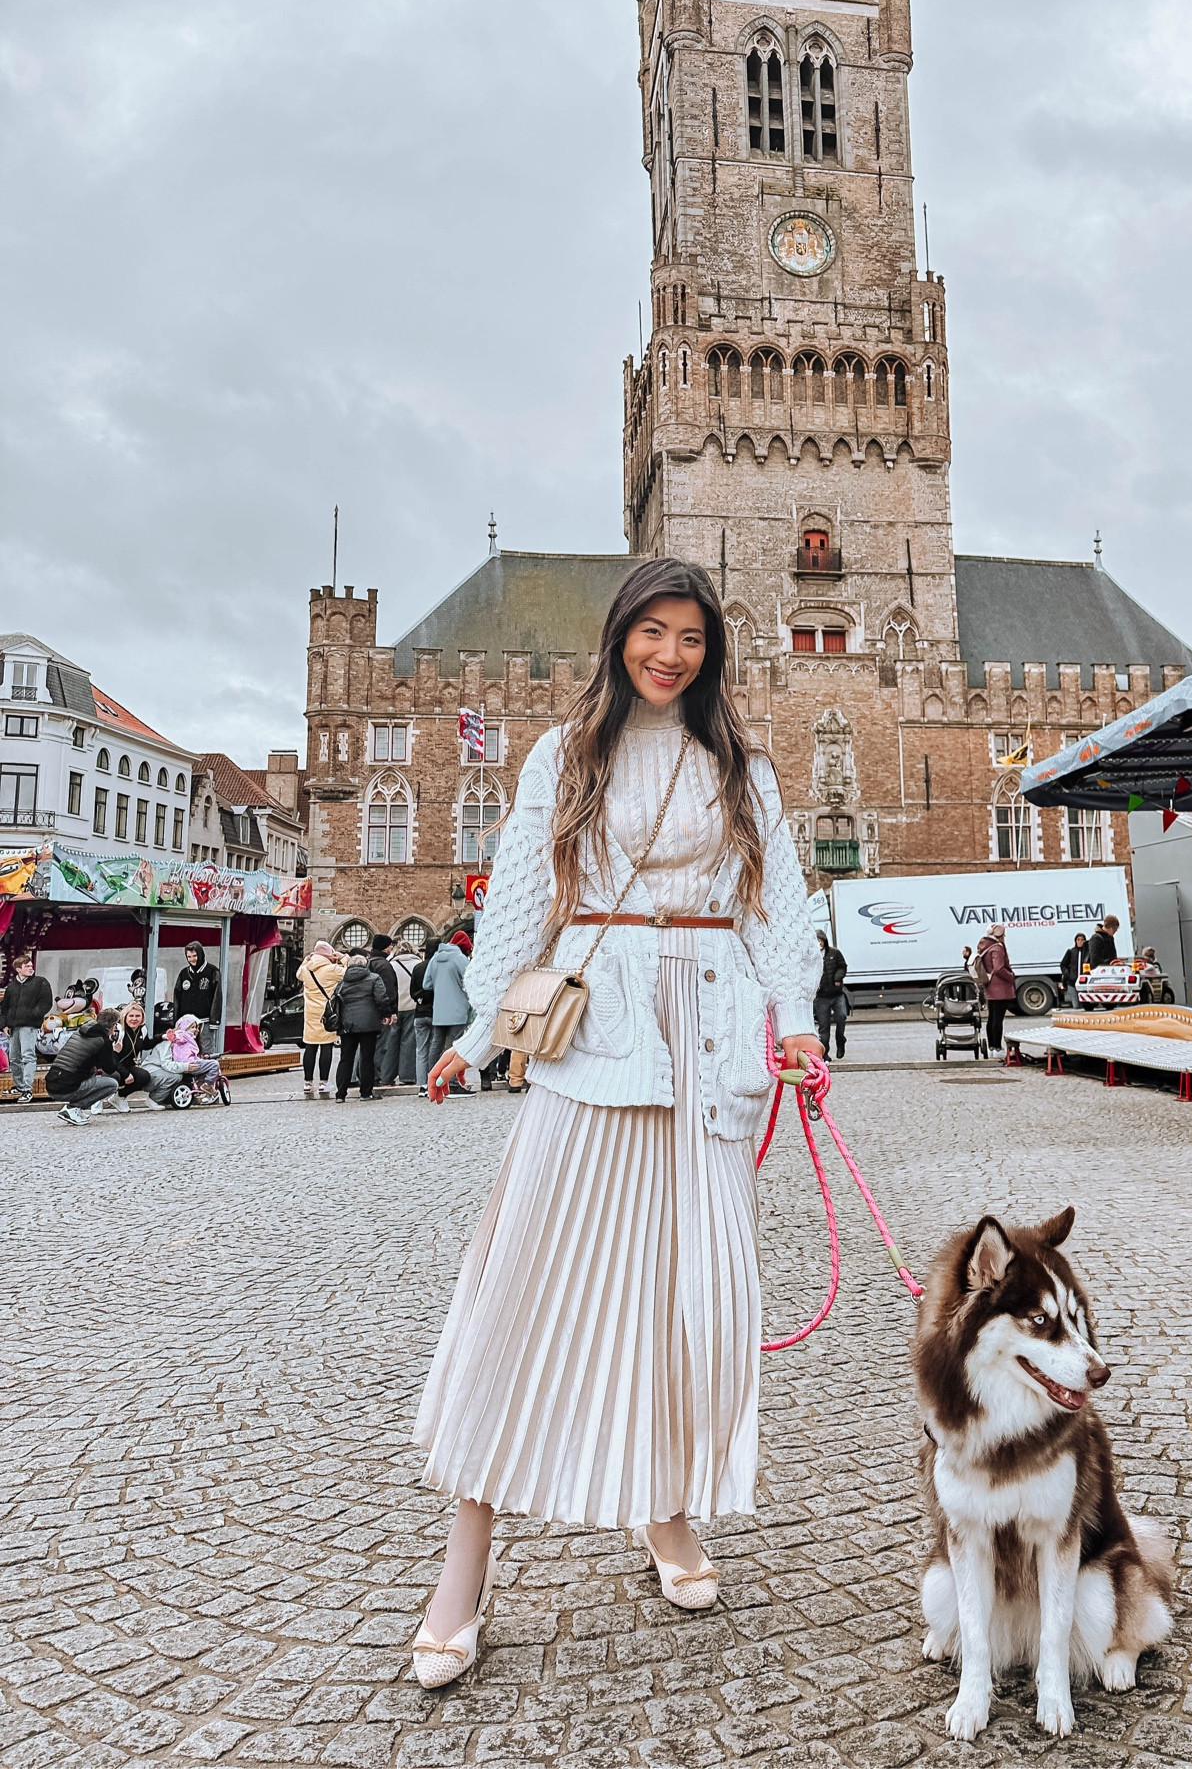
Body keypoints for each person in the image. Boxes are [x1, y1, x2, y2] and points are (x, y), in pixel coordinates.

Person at [411, 557, 821, 1688]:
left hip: (715, 1049)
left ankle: (665, 1507)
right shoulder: (564, 753)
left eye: (691, 635)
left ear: (712, 650)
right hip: (600, 1044)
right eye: (652, 630)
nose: (670, 653)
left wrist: (794, 1018)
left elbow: (778, 904)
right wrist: (481, 1033)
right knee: (524, 1294)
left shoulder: (741, 764)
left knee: (693, 1309)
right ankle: (466, 1563)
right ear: (618, 636)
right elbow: (522, 897)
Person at [45, 1008, 123, 1124]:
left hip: (52, 1083)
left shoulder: (82, 1031)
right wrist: (115, 1052)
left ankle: (73, 1110)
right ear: (113, 1026)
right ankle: (73, 1108)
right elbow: (110, 1069)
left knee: (91, 1075)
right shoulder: (103, 1040)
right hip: (66, 1087)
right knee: (112, 1084)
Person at [334, 952, 388, 1102]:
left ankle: (340, 1094)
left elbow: (336, 1000)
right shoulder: (374, 978)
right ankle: (366, 1093)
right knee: (367, 1058)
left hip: (347, 1024)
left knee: (345, 1058)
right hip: (368, 1023)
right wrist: (385, 1014)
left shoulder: (343, 982)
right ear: (365, 965)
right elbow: (381, 998)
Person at [423, 933, 473, 1095]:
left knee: (435, 1045)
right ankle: (452, 1084)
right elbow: (470, 981)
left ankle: (432, 1079)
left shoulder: (435, 959)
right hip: (458, 1009)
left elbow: (426, 984)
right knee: (454, 1046)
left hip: (439, 1010)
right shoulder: (459, 958)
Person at [1, 954, 53, 1104]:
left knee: (28, 1055)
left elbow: (46, 1002)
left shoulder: (40, 983)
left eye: (31, 966)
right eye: (27, 966)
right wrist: (4, 1024)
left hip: (29, 1026)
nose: (31, 968)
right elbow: (4, 1007)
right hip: (13, 1026)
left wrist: (33, 1015)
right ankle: (19, 1085)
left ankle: (27, 1089)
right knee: (14, 1058)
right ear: (19, 969)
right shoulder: (12, 987)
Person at [298, 942, 346, 1097]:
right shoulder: (331, 970)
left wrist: (307, 959)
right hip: (327, 1014)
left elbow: (298, 974)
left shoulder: (306, 970)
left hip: (310, 1014)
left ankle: (307, 1083)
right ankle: (324, 1083)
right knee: (326, 1047)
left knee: (310, 1048)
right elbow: (349, 972)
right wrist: (343, 957)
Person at [379, 943, 418, 1087]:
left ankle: (386, 1075)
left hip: (395, 1008)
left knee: (391, 1043)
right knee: (409, 1042)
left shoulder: (390, 965)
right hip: (412, 1006)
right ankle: (407, 1075)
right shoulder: (418, 964)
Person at [173, 943, 222, 1057]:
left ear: (200, 955)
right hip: (187, 1022)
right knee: (186, 1050)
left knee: (207, 1050)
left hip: (204, 1020)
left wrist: (214, 1021)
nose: (192, 959)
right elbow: (177, 997)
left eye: (194, 956)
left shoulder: (212, 971)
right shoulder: (184, 973)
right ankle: (191, 1073)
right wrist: (176, 1020)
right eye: (189, 957)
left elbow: (217, 997)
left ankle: (211, 1073)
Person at [367, 933, 403, 1084]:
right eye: (389, 946)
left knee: (368, 1046)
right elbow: (389, 990)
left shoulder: (368, 963)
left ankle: (364, 1075)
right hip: (382, 1011)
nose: (391, 949)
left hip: (368, 1010)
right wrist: (391, 1012)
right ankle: (376, 1076)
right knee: (382, 1045)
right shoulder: (384, 965)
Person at [975, 925, 1017, 1052]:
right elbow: (998, 968)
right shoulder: (997, 948)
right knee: (998, 1019)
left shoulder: (985, 946)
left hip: (990, 986)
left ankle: (991, 1046)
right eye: (1003, 934)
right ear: (999, 935)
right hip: (1000, 988)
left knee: (991, 1018)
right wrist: (1011, 976)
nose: (1004, 937)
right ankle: (997, 1048)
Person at [411, 938, 441, 1097]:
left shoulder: (418, 968)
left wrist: (420, 998)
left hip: (420, 1012)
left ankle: (422, 1084)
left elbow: (413, 992)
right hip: (436, 1012)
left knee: (421, 1050)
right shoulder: (438, 967)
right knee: (436, 1049)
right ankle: (434, 1082)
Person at [110, 1001, 154, 1109]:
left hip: (128, 1064)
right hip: (110, 1065)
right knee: (117, 1077)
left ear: (142, 1018)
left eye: (137, 1016)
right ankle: (97, 1101)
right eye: (131, 1016)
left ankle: (119, 1097)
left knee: (144, 1077)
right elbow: (112, 1057)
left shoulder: (142, 1030)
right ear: (125, 1017)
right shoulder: (119, 1030)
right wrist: (125, 1074)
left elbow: (146, 1044)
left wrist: (162, 1037)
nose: (134, 1019)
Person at [813, 930, 848, 1060]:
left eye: (820, 940)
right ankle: (824, 1053)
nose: (819, 943)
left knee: (841, 1017)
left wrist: (837, 978)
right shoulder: (812, 956)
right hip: (821, 996)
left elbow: (842, 966)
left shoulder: (834, 953)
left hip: (836, 994)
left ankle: (840, 1041)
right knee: (824, 1026)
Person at [1060, 932, 1088, 1008]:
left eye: (1082, 940)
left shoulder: (1087, 953)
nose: (1080, 941)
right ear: (1075, 941)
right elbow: (1063, 964)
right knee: (1076, 1006)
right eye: (1078, 940)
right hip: (1072, 982)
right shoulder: (1071, 952)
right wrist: (1066, 974)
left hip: (1084, 982)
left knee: (1085, 1005)